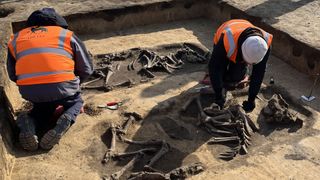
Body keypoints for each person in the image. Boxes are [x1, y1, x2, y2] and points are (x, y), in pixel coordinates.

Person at [6, 8, 93, 151]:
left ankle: (29, 120)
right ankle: (66, 118)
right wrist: (74, 84)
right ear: (57, 22)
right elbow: (87, 69)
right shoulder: (66, 35)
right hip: (63, 87)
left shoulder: (15, 39)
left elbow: (12, 74)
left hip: (30, 91)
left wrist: (33, 85)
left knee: (42, 107)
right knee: (76, 102)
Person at [208, 19, 273, 112]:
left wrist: (251, 99)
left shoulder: (264, 45)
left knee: (234, 78)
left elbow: (258, 74)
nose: (250, 64)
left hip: (241, 35)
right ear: (241, 50)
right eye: (248, 61)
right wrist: (218, 96)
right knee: (219, 71)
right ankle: (220, 84)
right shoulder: (227, 40)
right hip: (225, 34)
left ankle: (231, 76)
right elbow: (214, 67)